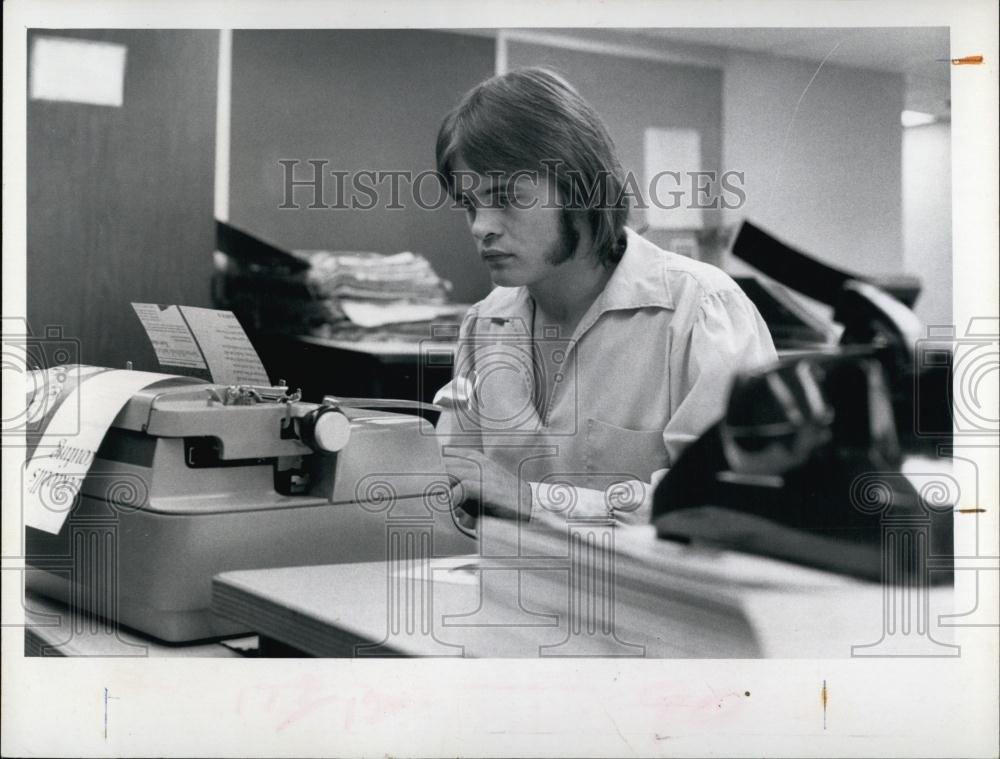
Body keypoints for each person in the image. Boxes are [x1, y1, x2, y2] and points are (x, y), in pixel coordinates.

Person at [433, 67, 776, 527]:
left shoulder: (701, 311)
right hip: (505, 588)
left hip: (652, 596)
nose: (481, 226)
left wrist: (535, 502)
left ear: (578, 188)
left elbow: (730, 504)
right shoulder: (484, 324)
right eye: (470, 204)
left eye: (506, 198)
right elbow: (454, 487)